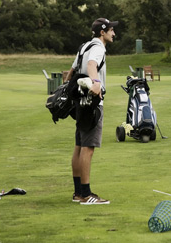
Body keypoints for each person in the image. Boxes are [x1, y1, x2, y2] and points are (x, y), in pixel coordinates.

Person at [65, 18, 118, 205]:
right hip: (91, 103)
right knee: (88, 148)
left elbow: (71, 72)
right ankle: (86, 195)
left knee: (80, 146)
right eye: (111, 30)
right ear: (102, 33)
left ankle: (78, 192)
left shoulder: (84, 46)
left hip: (80, 102)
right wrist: (96, 83)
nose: (114, 34)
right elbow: (91, 65)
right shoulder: (97, 48)